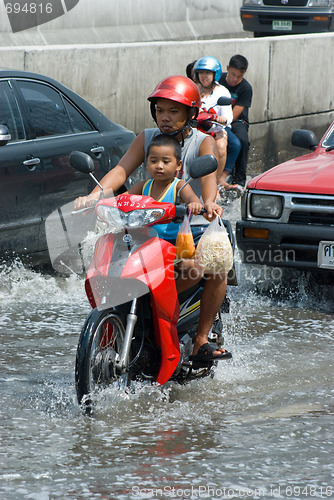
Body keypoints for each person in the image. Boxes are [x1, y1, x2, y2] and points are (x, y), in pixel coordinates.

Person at [74, 75, 227, 360]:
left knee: (215, 269)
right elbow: (121, 172)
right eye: (160, 110)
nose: (165, 118)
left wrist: (207, 203)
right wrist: (95, 196)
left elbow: (209, 181)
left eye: (173, 111)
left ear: (191, 113)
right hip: (144, 230)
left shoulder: (202, 143)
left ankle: (201, 339)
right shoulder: (146, 138)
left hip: (186, 230)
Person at [193, 56, 241, 194]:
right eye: (201, 73)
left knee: (220, 146)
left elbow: (228, 117)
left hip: (215, 130)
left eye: (207, 73)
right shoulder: (194, 90)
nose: (204, 77)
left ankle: (216, 182)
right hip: (197, 130)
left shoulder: (222, 92)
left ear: (215, 74)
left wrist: (221, 119)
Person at [219, 54, 253, 188]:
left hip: (236, 120)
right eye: (232, 74)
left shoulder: (246, 88)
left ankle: (239, 181)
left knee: (243, 141)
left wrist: (223, 120)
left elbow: (233, 115)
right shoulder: (218, 80)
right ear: (227, 68)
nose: (235, 79)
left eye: (239, 76)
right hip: (216, 117)